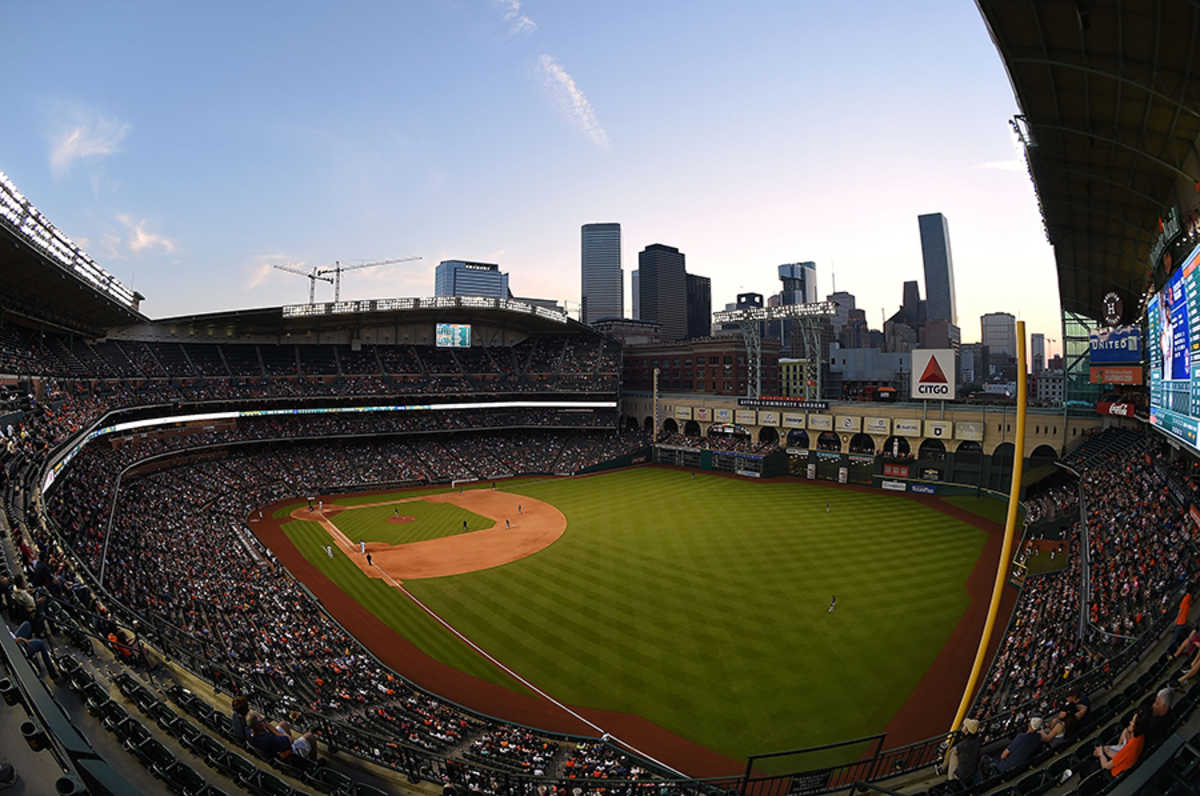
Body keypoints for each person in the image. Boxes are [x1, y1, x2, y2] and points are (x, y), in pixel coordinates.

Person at [945, 718, 981, 787]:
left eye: (965, 726)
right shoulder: (977, 742)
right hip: (972, 774)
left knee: (953, 752)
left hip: (961, 777)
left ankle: (950, 779)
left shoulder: (962, 745)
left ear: (966, 731)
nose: (963, 727)